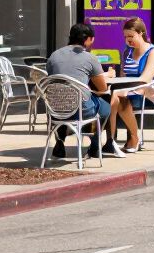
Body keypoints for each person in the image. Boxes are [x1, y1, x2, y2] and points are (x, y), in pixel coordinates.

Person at [45, 22, 112, 159]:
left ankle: (60, 141)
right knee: (106, 108)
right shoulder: (89, 57)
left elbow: (53, 81)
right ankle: (94, 145)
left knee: (64, 99)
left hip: (55, 110)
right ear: (88, 39)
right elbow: (102, 88)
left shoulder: (54, 56)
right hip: (81, 111)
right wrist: (107, 76)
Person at [105, 18, 154, 156]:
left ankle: (132, 139)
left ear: (141, 33)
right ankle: (111, 141)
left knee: (118, 97)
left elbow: (145, 79)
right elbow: (123, 77)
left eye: (131, 36)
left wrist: (126, 88)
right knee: (109, 97)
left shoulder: (153, 52)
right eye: (125, 37)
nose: (128, 40)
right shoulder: (127, 52)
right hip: (135, 90)